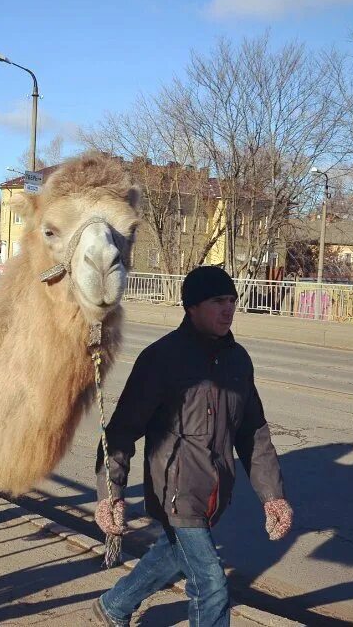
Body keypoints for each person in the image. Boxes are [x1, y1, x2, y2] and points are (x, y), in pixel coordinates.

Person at [92, 266, 293, 627]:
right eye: (218, 301)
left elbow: (254, 433)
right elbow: (121, 430)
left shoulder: (238, 360)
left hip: (214, 491)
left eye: (232, 300)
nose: (228, 309)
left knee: (172, 554)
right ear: (192, 307)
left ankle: (114, 605)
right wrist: (111, 491)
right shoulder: (161, 359)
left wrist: (272, 495)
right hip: (175, 491)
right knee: (211, 583)